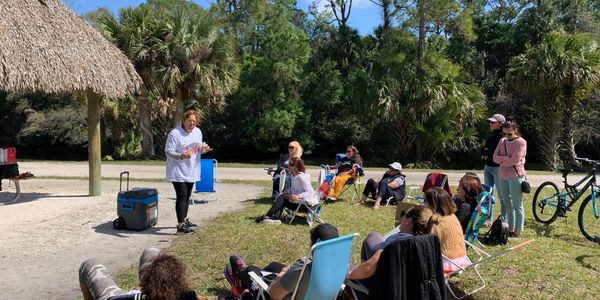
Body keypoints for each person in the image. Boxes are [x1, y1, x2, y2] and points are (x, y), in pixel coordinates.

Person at [225, 223, 340, 300]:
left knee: (251, 271)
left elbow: (274, 294)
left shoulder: (303, 267)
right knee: (274, 266)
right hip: (311, 293)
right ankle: (242, 284)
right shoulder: (340, 265)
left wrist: (283, 273)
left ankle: (239, 275)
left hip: (280, 295)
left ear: (314, 245)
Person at [346, 205, 433, 287]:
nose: (401, 217)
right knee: (372, 237)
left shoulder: (397, 243)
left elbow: (369, 268)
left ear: (409, 221)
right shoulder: (426, 244)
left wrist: (347, 274)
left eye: (403, 214)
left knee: (345, 269)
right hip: (403, 286)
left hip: (380, 286)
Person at [79, 247, 201, 300]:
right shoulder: (188, 296)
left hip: (121, 296)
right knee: (151, 251)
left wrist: (134, 292)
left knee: (90, 264)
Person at [165, 110, 212, 234]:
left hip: (192, 169)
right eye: (190, 121)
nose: (192, 124)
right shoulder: (175, 134)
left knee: (187, 196)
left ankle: (184, 220)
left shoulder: (197, 132)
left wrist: (204, 149)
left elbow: (198, 149)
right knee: (182, 196)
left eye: (194, 121)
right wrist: (180, 155)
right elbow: (168, 151)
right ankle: (180, 226)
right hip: (177, 170)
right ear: (183, 121)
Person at [256, 157, 317, 225]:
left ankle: (267, 216)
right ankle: (275, 218)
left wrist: (298, 196)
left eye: (290, 165)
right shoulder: (293, 176)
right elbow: (294, 189)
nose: (288, 166)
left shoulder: (302, 177)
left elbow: (310, 192)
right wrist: (287, 192)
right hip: (298, 203)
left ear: (295, 167)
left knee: (282, 197)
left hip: (306, 206)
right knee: (282, 196)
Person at [493, 117, 527, 238]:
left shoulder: (521, 142)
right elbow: (494, 157)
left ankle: (517, 231)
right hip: (502, 175)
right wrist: (506, 158)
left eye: (510, 133)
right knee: (507, 203)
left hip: (516, 176)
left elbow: (515, 160)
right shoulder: (502, 141)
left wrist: (503, 160)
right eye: (505, 133)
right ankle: (510, 228)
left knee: (517, 205)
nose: (507, 136)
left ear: (516, 130)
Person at [424, 187, 471, 273]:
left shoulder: (437, 221)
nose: (424, 204)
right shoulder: (452, 216)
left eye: (425, 201)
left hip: (447, 263)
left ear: (432, 204)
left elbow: (427, 243)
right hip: (461, 259)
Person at [482, 113, 505, 225]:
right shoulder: (491, 138)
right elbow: (484, 151)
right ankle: (487, 218)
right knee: (487, 194)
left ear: (500, 124)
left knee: (502, 194)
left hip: (498, 168)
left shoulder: (503, 138)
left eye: (493, 122)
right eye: (490, 122)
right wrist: (486, 152)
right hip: (488, 167)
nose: (490, 124)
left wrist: (488, 152)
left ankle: (503, 218)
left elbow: (494, 152)